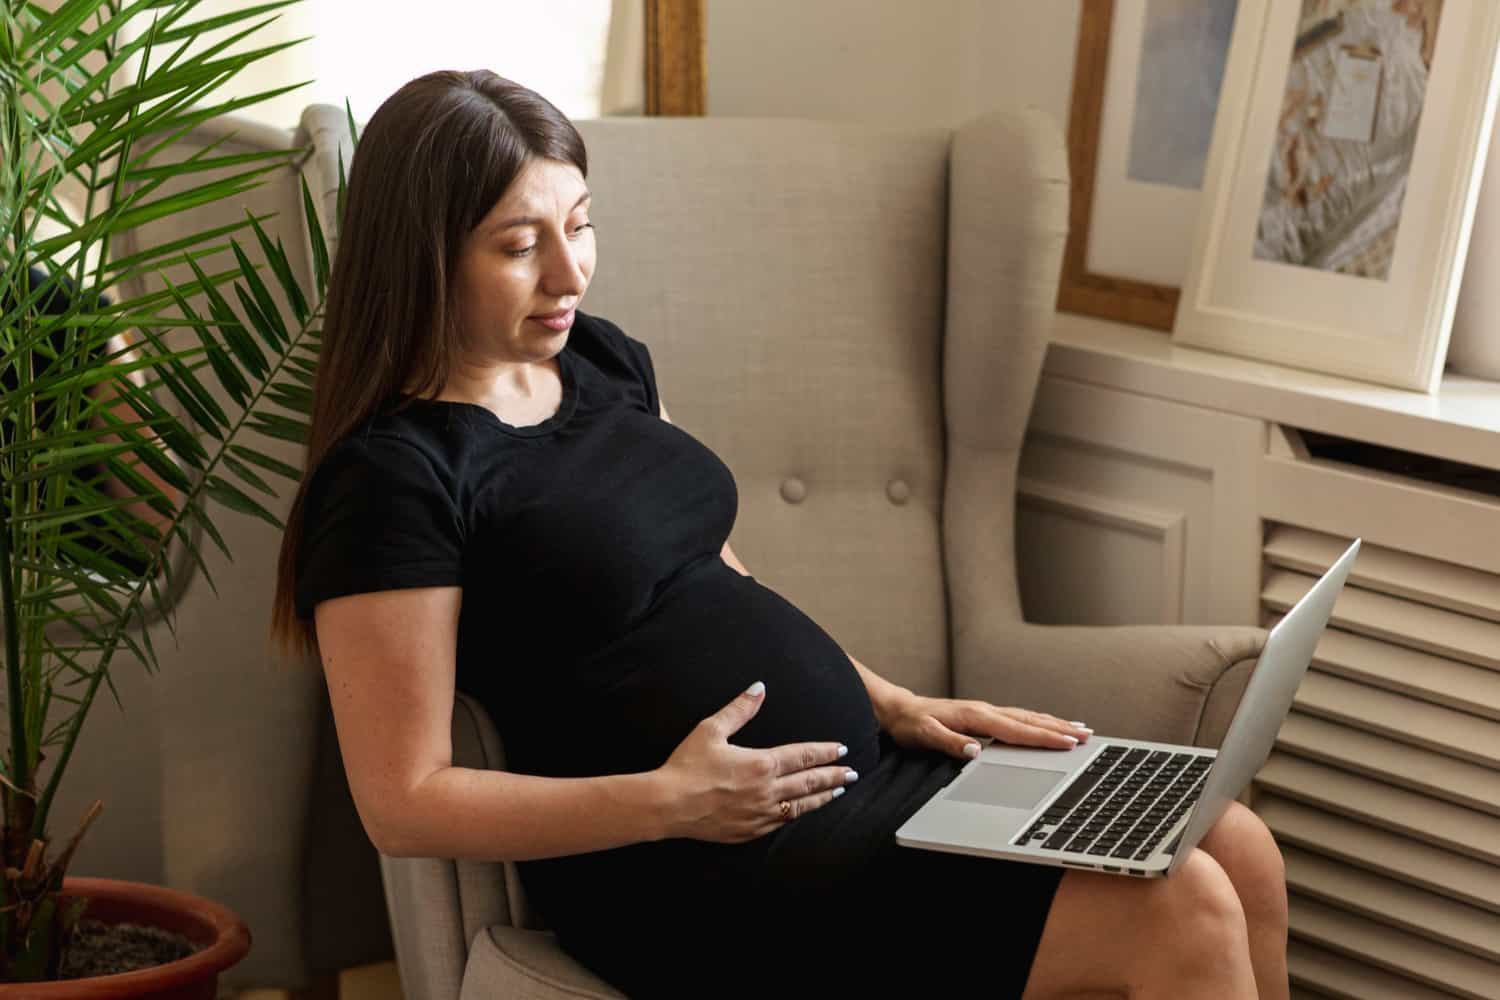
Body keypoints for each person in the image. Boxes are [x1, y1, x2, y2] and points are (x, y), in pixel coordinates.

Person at [269, 70, 1289, 999]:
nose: (567, 274)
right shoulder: (393, 479)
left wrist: (891, 697)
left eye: (580, 226)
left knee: (1236, 846)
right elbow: (403, 800)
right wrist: (669, 801)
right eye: (519, 245)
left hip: (859, 787)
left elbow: (712, 573)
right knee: (1181, 906)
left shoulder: (604, 364)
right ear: (423, 255)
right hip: (703, 873)